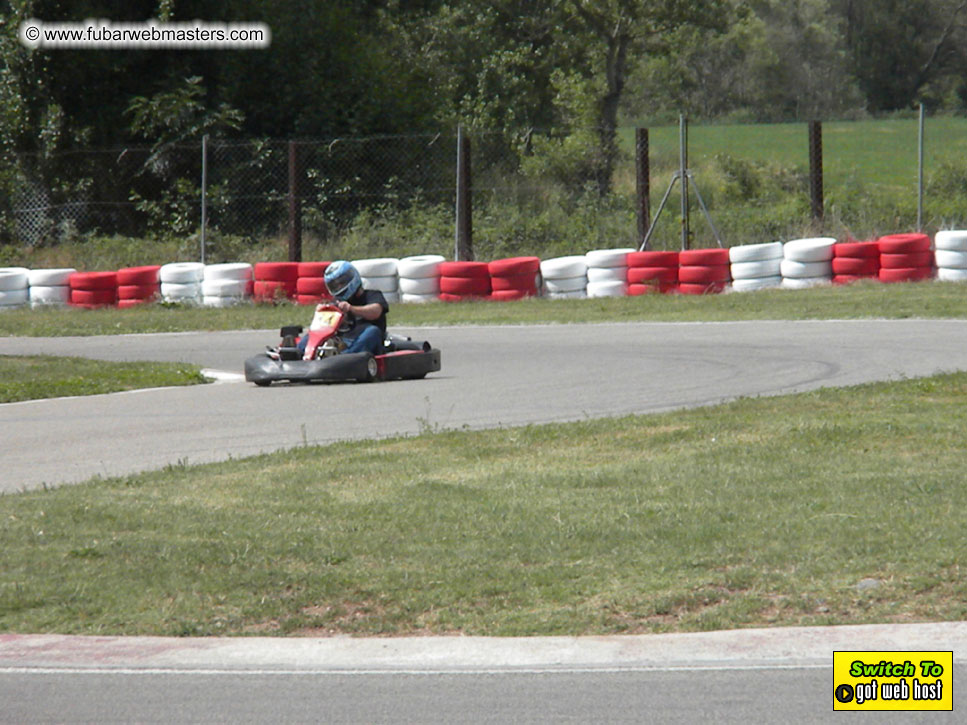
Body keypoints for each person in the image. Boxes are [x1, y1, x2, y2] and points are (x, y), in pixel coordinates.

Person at [296, 260, 388, 356]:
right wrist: (322, 313)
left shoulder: (372, 295)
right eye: (334, 285)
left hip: (363, 342)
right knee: (312, 335)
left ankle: (345, 357)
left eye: (341, 283)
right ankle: (299, 353)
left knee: (373, 331)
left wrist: (351, 309)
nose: (338, 287)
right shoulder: (336, 302)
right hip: (342, 340)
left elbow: (376, 311)